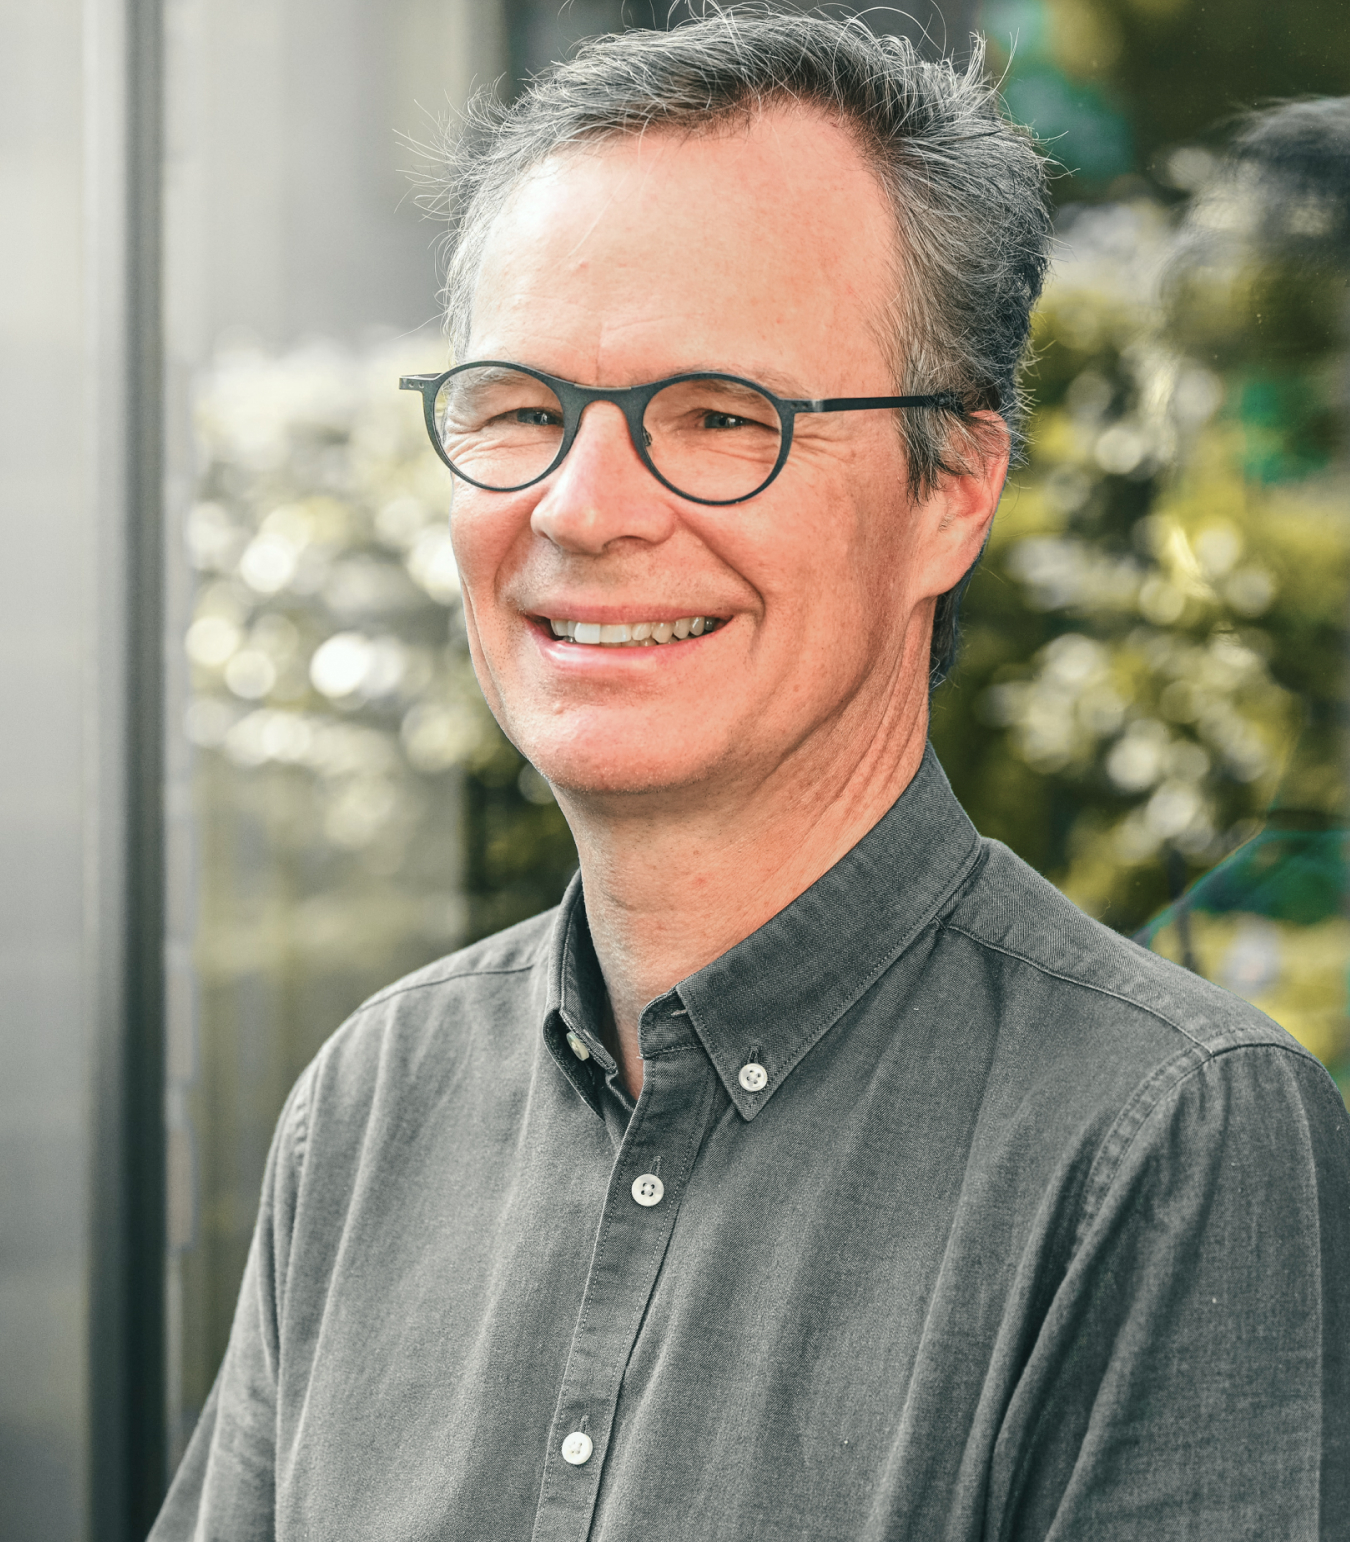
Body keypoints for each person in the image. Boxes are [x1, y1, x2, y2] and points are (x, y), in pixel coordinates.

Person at [152, 13, 1350, 1540]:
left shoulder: (1166, 1142)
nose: (581, 509)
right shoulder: (374, 1103)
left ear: (953, 493)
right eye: (522, 409)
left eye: (719, 418)